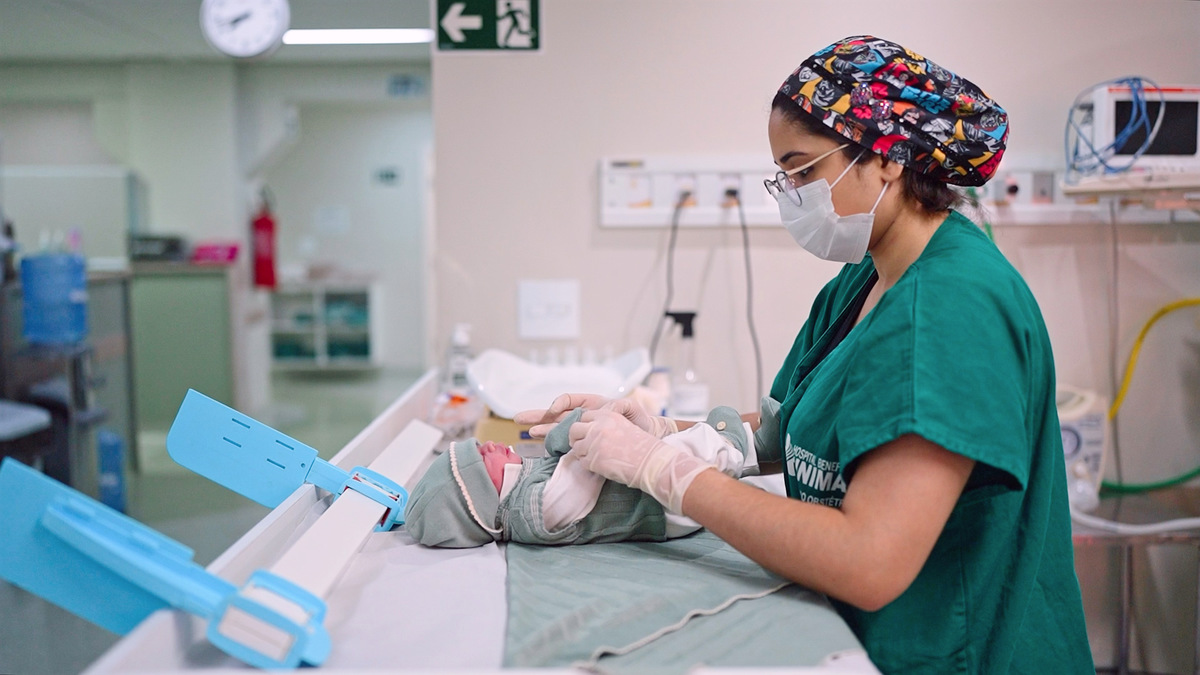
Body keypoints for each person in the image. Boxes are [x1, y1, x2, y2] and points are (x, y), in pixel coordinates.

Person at [515, 35, 1094, 674]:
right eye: (782, 176)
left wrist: (666, 472)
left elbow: (868, 561)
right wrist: (659, 431)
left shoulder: (951, 309)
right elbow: (788, 429)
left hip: (962, 652)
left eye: (803, 170)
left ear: (886, 158)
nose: (790, 194)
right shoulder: (866, 279)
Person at [403, 406, 753, 547]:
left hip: (659, 491)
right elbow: (576, 477)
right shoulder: (530, 513)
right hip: (665, 510)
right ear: (479, 501)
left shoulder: (526, 482)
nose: (491, 445)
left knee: (681, 445)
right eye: (482, 457)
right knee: (698, 449)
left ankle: (746, 444)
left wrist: (582, 426)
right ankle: (736, 445)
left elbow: (562, 462)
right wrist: (580, 433)